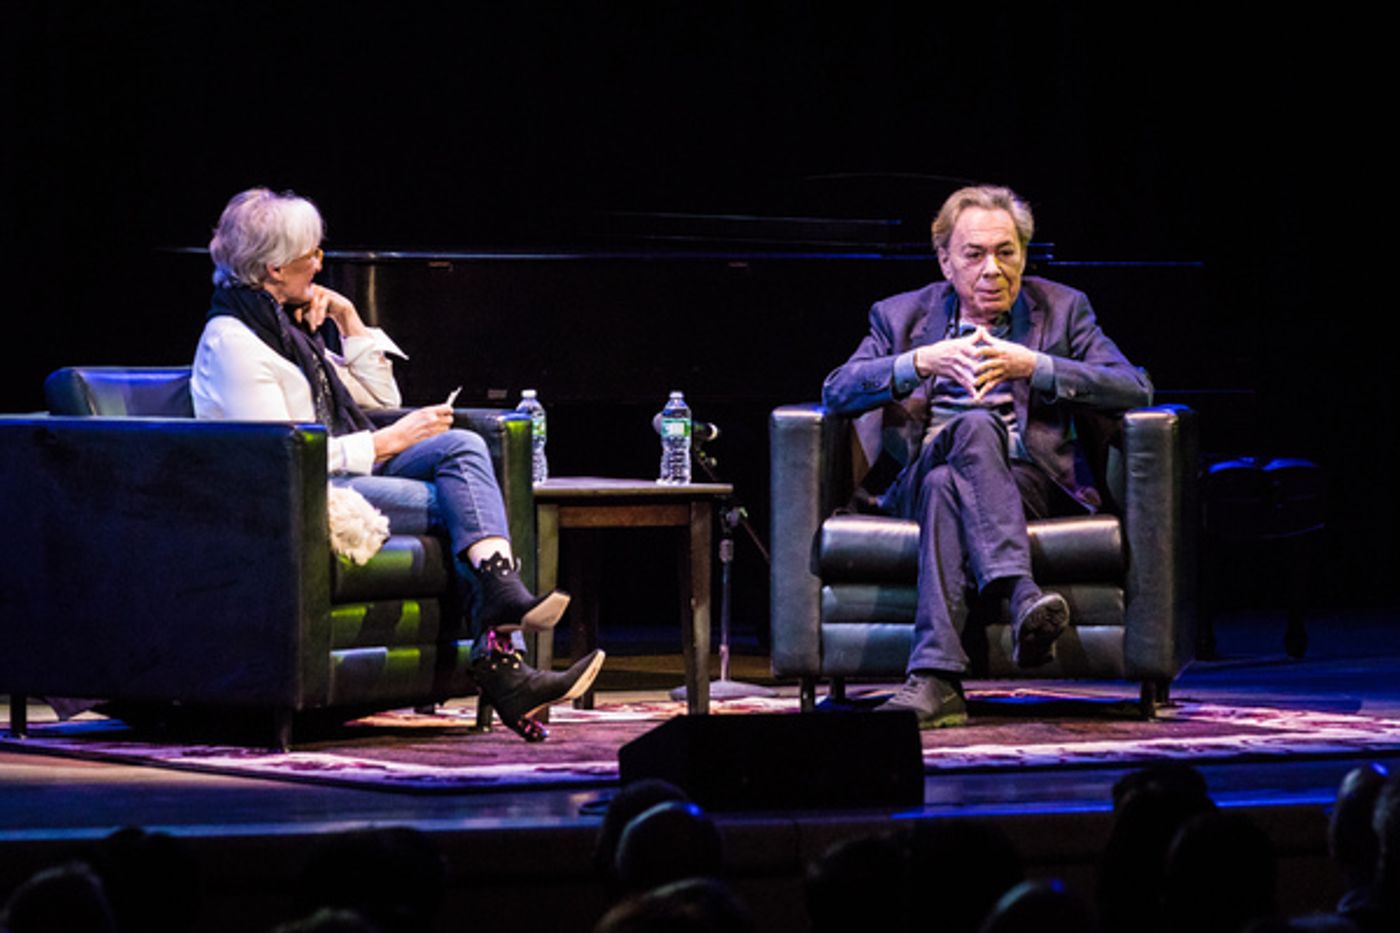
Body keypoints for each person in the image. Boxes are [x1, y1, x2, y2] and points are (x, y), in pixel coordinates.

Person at [192, 187, 603, 742]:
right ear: (274, 266)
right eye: (311, 253)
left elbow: (379, 396)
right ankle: (506, 662)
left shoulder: (287, 329)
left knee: (462, 448)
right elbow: (281, 459)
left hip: (346, 470)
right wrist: (388, 443)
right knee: (462, 508)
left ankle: (500, 594)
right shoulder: (237, 342)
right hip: (303, 492)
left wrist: (348, 315)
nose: (320, 262)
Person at [822, 184, 1151, 728]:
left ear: (1024, 254)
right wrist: (918, 362)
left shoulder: (1065, 310)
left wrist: (1037, 367)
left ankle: (936, 683)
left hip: (1029, 485)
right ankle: (1021, 593)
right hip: (912, 476)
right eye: (974, 255)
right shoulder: (899, 317)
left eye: (1006, 252)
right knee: (963, 440)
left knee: (946, 487)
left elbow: (1135, 389)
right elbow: (838, 390)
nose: (992, 269)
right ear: (946, 262)